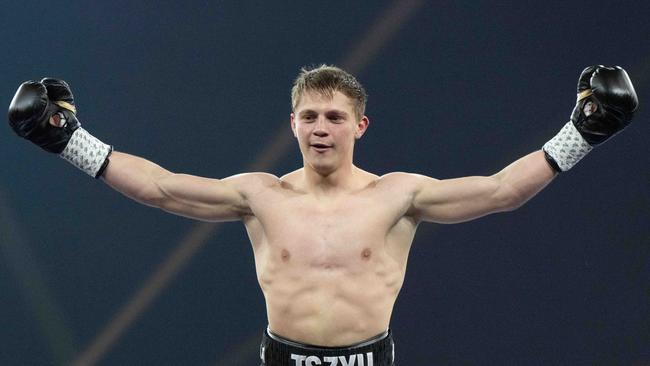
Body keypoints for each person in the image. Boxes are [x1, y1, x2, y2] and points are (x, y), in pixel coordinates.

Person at [8, 65, 638, 366]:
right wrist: (70, 142)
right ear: (292, 126)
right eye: (309, 117)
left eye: (334, 116)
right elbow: (164, 189)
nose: (320, 128)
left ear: (359, 126)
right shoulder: (260, 195)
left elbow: (502, 190)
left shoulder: (399, 195)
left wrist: (583, 134)